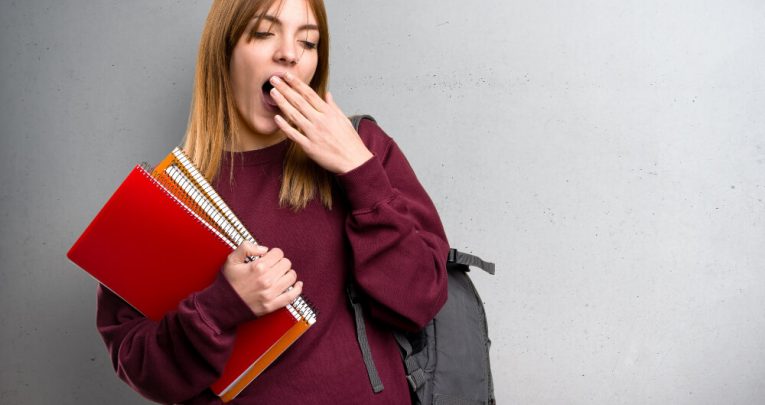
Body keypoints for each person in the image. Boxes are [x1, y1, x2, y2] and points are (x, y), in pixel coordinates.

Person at [96, 0, 449, 403]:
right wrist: (219, 307)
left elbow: (421, 300)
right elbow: (143, 368)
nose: (289, 52)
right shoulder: (164, 198)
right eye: (264, 33)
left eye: (309, 42)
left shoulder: (364, 146)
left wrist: (359, 173)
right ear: (223, 51)